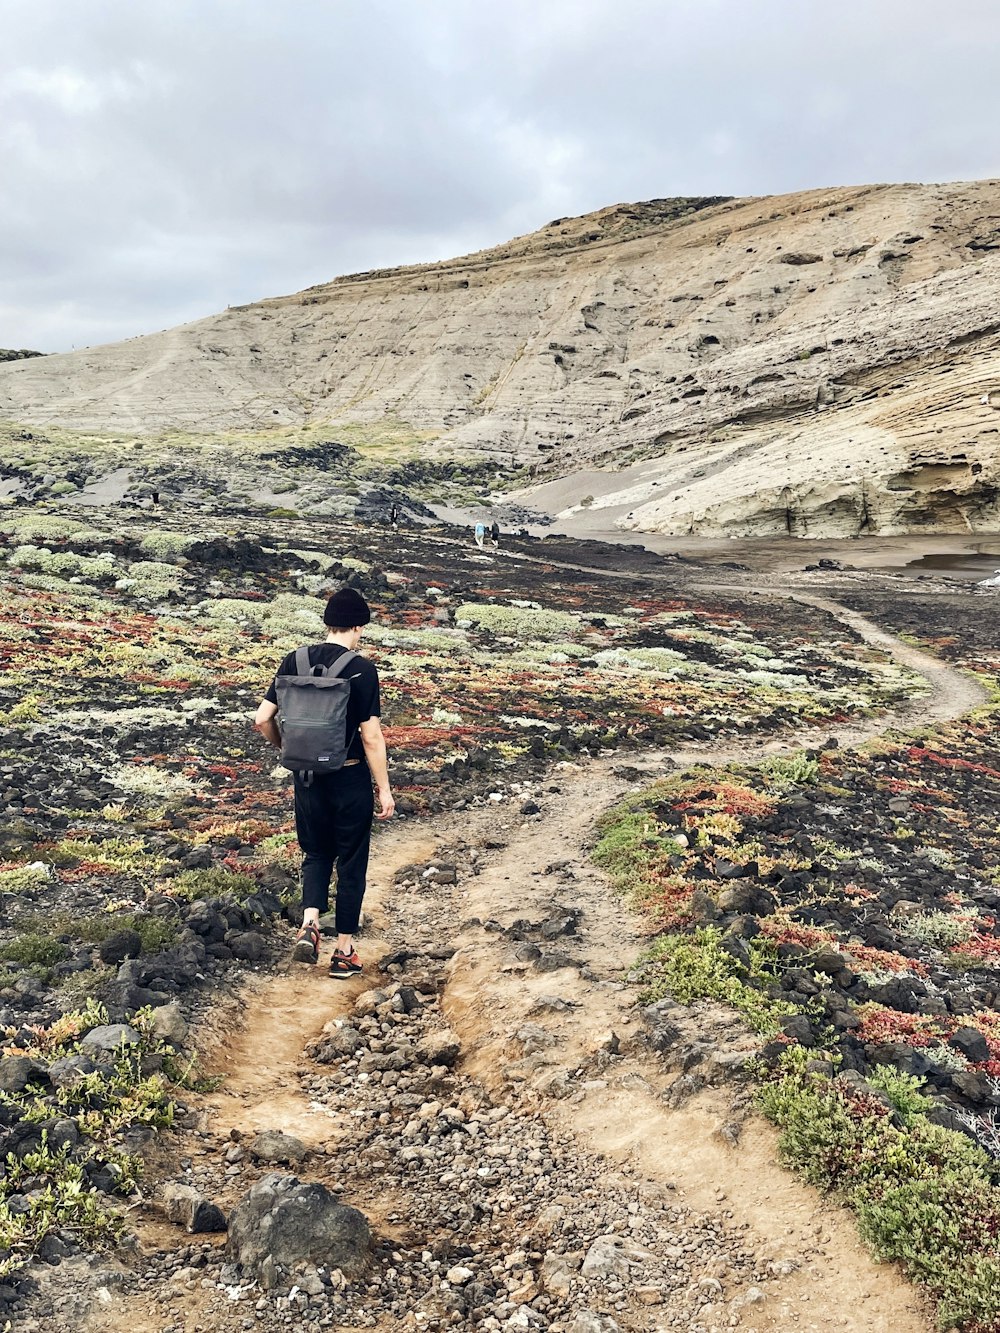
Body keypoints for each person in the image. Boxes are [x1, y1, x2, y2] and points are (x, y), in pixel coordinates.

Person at [254, 587, 394, 978]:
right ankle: (344, 951)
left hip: (306, 779)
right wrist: (383, 788)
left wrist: (287, 749)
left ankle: (310, 923)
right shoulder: (362, 669)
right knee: (351, 862)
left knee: (315, 854)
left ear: (327, 623)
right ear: (358, 626)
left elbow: (262, 719)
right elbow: (371, 737)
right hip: (348, 776)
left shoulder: (293, 660)